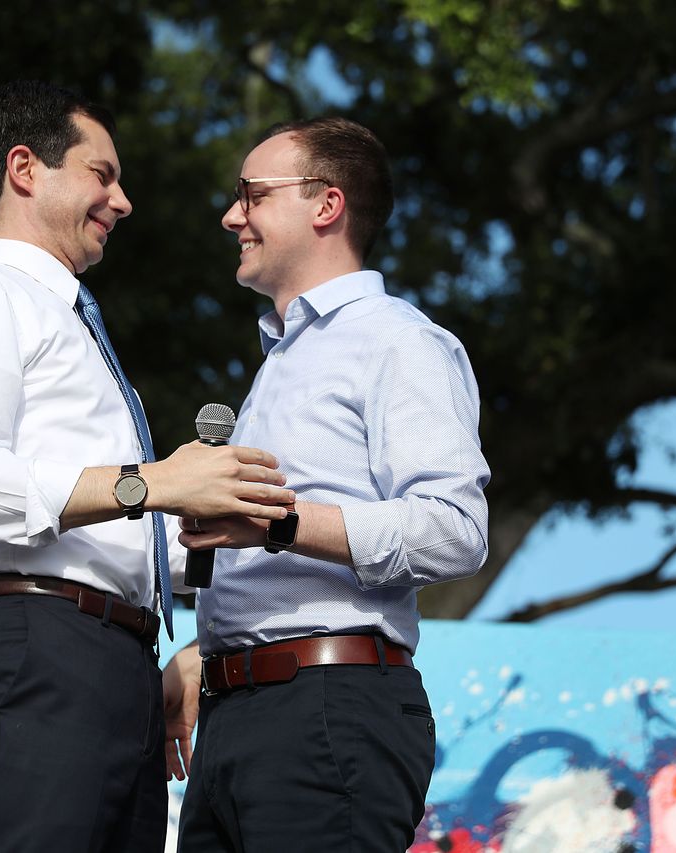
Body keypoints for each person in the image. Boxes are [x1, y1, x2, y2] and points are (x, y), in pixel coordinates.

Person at [0, 80, 294, 853]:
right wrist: (152, 483)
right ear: (24, 168)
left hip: (123, 669)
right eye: (101, 174)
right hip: (35, 649)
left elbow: (122, 540)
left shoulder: (80, 335)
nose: (123, 200)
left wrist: (221, 534)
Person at [161, 117, 491, 852]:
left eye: (250, 194)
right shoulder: (282, 357)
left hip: (327, 713)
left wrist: (277, 522)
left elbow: (455, 529)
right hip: (235, 718)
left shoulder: (398, 341)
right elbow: (236, 550)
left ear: (326, 205)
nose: (231, 215)